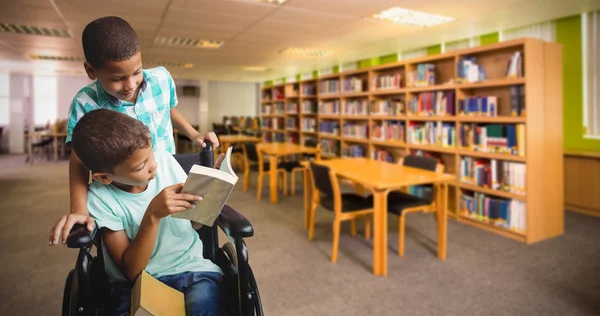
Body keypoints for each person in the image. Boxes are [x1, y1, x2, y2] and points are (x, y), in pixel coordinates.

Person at [49, 16, 218, 246]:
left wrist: (193, 134)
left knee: (174, 232)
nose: (130, 85)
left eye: (137, 72)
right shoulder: (85, 103)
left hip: (165, 173)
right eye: (118, 78)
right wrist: (79, 209)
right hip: (122, 189)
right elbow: (78, 159)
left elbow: (167, 109)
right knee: (132, 238)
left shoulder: (160, 78)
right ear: (91, 70)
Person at [71, 109, 224, 315]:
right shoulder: (101, 199)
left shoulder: (166, 162)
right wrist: (153, 214)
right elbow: (132, 271)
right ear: (104, 178)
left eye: (151, 155)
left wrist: (211, 191)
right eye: (141, 166)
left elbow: (194, 223)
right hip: (138, 284)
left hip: (194, 271)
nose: (154, 166)